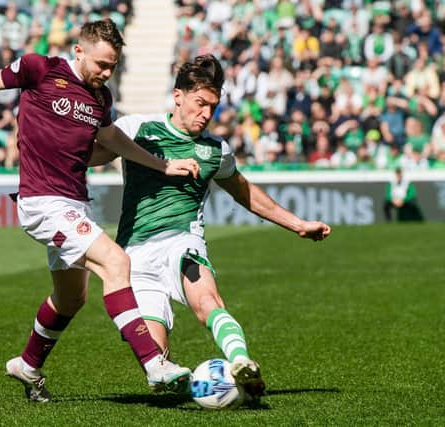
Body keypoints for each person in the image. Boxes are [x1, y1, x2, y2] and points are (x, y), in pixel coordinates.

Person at [0, 19, 199, 402]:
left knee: (71, 298)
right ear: (78, 51)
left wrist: (161, 165)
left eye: (112, 66)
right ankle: (155, 365)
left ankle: (27, 366)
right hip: (42, 203)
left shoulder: (100, 98)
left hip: (74, 203)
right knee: (115, 262)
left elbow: (110, 138)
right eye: (101, 64)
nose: (106, 73)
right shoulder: (40, 69)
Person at [90, 54, 332, 400]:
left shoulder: (215, 150)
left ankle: (242, 363)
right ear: (178, 96)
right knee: (157, 360)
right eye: (200, 103)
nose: (205, 114)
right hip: (135, 256)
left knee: (206, 301)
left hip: (182, 241)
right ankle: (200, 386)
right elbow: (88, 156)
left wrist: (297, 225)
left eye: (212, 107)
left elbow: (245, 193)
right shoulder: (137, 129)